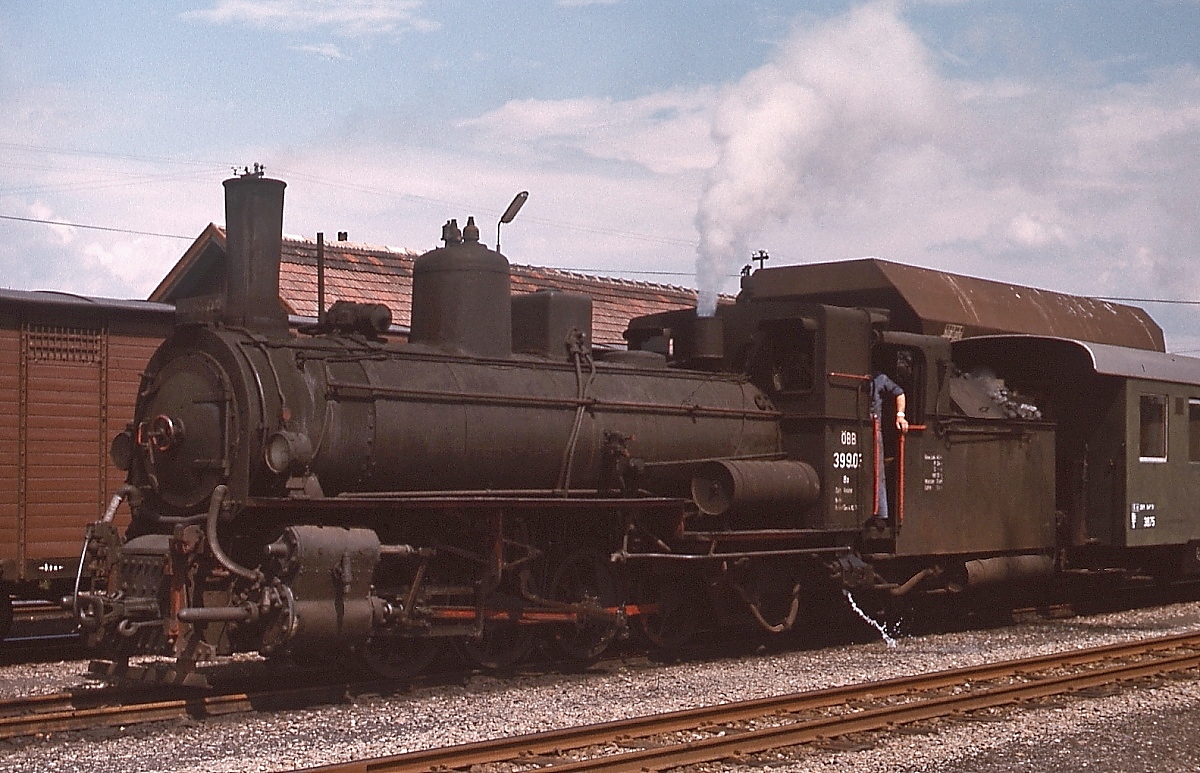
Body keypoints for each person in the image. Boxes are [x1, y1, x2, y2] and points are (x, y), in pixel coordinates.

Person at [869, 370, 909, 525]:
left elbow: (899, 393)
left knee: (878, 470)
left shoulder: (880, 378)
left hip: (874, 426)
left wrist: (900, 415)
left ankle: (881, 513)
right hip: (862, 424)